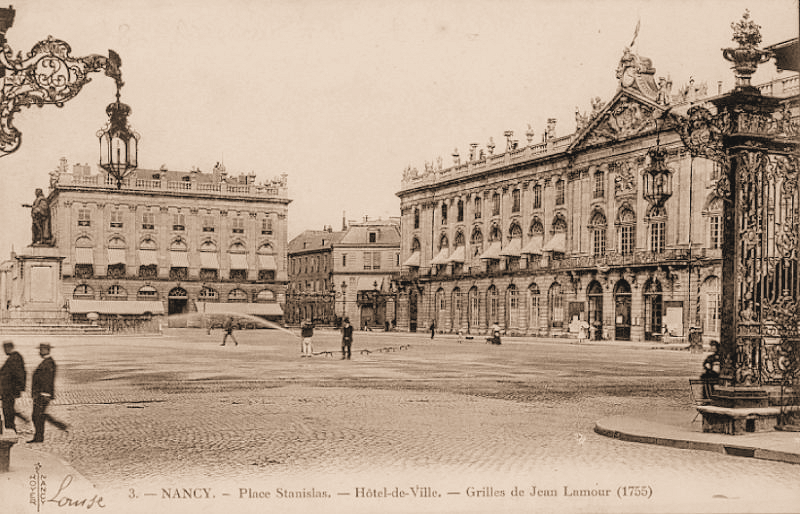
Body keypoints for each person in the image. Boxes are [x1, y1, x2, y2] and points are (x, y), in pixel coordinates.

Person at [28, 343, 68, 443]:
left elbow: (47, 380)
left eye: (41, 350)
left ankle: (39, 437)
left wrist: (45, 393)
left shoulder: (49, 363)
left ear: (46, 350)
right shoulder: (46, 362)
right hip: (40, 394)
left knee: (37, 415)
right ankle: (39, 436)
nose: (39, 352)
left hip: (43, 394)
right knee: (38, 415)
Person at [0, 340, 26, 434]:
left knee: (8, 413)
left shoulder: (14, 358)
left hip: (8, 392)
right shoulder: (13, 357)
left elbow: (19, 375)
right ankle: (11, 430)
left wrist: (17, 391)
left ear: (9, 348)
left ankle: (11, 432)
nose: (4, 351)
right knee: (8, 411)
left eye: (5, 348)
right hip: (7, 392)